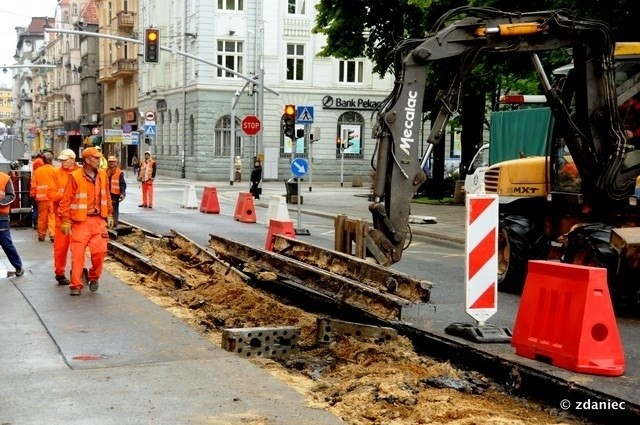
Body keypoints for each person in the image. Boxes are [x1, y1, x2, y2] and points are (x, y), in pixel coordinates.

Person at [58, 147, 114, 296]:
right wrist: (65, 220)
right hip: (80, 222)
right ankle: (75, 285)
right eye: (96, 158)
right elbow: (66, 200)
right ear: (88, 160)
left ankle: (93, 276)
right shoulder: (75, 176)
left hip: (98, 221)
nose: (99, 161)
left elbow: (106, 196)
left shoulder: (102, 175)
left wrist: (109, 213)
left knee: (100, 252)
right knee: (77, 255)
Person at [48, 149, 80, 285]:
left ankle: (77, 273)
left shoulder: (81, 173)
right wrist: (66, 195)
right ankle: (59, 273)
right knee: (61, 248)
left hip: (78, 216)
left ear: (73, 159)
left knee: (78, 248)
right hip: (61, 216)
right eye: (61, 160)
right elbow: (50, 194)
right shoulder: (56, 173)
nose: (62, 162)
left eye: (65, 160)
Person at [0, 171, 25, 277]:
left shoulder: (4, 178)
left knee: (6, 244)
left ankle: (18, 266)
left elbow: (11, 196)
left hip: (1, 218)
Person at [30, 152, 56, 242]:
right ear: (51, 160)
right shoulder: (55, 170)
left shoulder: (38, 171)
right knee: (53, 216)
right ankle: (53, 234)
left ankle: (41, 235)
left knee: (42, 217)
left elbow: (33, 185)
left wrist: (33, 195)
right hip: (53, 198)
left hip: (41, 198)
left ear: (43, 160)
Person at [107, 155, 127, 227]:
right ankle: (107, 224)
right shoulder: (105, 171)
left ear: (116, 162)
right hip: (106, 194)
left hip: (115, 194)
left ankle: (115, 224)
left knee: (114, 210)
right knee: (106, 209)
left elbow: (122, 184)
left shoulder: (119, 172)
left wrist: (122, 193)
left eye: (113, 162)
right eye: (110, 162)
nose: (111, 163)